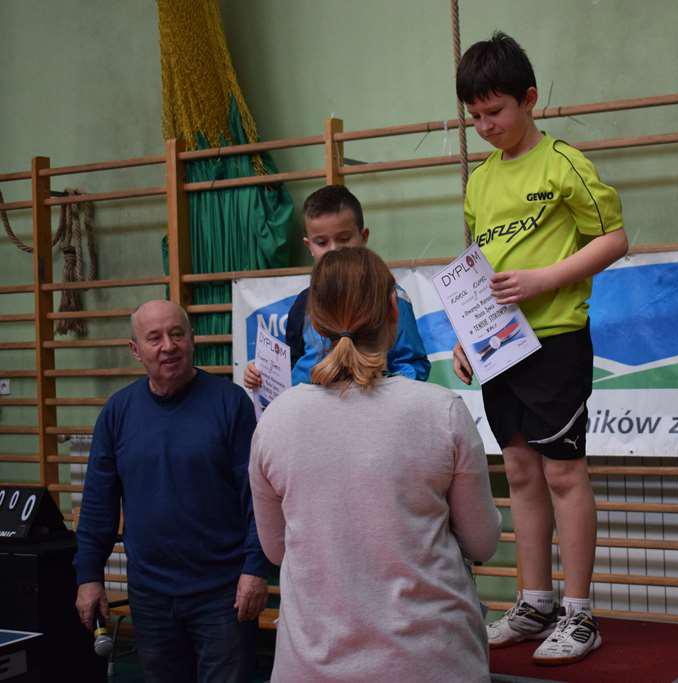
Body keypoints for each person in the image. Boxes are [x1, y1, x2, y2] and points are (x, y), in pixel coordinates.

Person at [453, 31, 628, 665]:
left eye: (495, 112)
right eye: (475, 117)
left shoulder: (564, 164)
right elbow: (477, 269)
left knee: (562, 471)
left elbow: (613, 240)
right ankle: (534, 602)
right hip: (498, 347)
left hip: (556, 339)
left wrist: (545, 280)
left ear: (529, 99)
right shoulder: (479, 182)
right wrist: (466, 337)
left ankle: (580, 613)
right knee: (521, 471)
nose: (485, 127)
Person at [249, 247, 500, 682]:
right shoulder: (440, 411)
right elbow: (482, 542)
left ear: (314, 322)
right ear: (393, 313)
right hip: (431, 664)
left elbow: (276, 550)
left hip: (313, 666)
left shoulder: (276, 420)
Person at [74, 300, 270, 683]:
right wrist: (88, 576)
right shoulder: (117, 413)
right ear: (136, 350)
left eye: (177, 334)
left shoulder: (230, 403)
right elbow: (98, 504)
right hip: (150, 597)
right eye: (155, 338)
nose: (169, 346)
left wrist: (255, 569)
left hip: (224, 595)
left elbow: (257, 499)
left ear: (192, 339)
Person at [244, 184, 429, 390]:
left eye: (344, 239)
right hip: (309, 406)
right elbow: (290, 366)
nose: (334, 250)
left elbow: (413, 366)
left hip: (372, 404)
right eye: (322, 242)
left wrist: (378, 390)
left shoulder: (389, 296)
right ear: (309, 246)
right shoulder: (304, 302)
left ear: (363, 237)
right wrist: (263, 375)